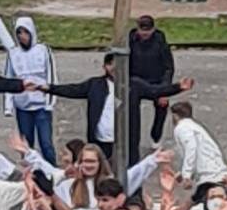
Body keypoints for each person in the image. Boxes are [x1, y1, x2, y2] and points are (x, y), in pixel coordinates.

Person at [47, 50, 190, 162]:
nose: (114, 68)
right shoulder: (95, 85)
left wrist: (178, 87)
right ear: (104, 67)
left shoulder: (133, 85)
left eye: (118, 64)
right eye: (110, 64)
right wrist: (48, 88)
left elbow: (155, 91)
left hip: (125, 142)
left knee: (128, 175)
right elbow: (72, 90)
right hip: (101, 141)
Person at [4, 17, 57, 156]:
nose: (22, 36)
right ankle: (29, 168)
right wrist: (8, 106)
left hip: (42, 105)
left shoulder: (43, 50)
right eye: (19, 33)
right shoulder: (13, 53)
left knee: (46, 144)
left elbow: (51, 76)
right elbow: (9, 79)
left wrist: (50, 102)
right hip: (22, 106)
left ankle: (51, 168)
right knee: (26, 145)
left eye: (25, 32)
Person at [128, 15, 178, 162]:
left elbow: (168, 68)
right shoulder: (130, 41)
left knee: (162, 107)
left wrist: (165, 90)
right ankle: (132, 142)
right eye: (142, 31)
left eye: (148, 31)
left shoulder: (160, 43)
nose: (145, 34)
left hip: (156, 82)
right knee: (131, 111)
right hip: (136, 81)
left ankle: (156, 136)